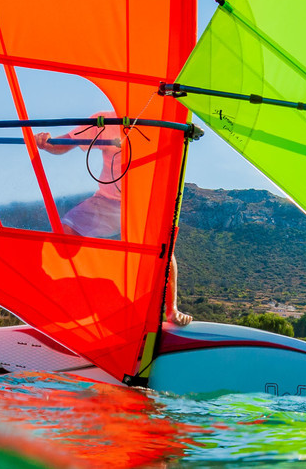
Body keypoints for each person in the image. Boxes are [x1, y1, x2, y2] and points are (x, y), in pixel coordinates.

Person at [36, 113, 191, 326]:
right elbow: (65, 143)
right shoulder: (106, 120)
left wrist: (185, 133)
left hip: (143, 204)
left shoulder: (159, 118)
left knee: (163, 249)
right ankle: (85, 294)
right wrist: (46, 143)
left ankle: (170, 309)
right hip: (106, 202)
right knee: (65, 235)